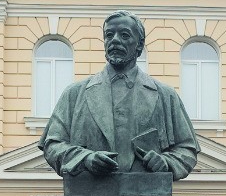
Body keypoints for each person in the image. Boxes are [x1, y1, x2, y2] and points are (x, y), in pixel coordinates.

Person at [39, 10, 199, 180]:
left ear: (139, 45)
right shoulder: (74, 94)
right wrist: (85, 159)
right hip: (90, 191)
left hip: (146, 190)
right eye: (109, 35)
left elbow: (187, 149)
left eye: (124, 35)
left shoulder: (166, 96)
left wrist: (166, 162)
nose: (115, 40)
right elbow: (53, 145)